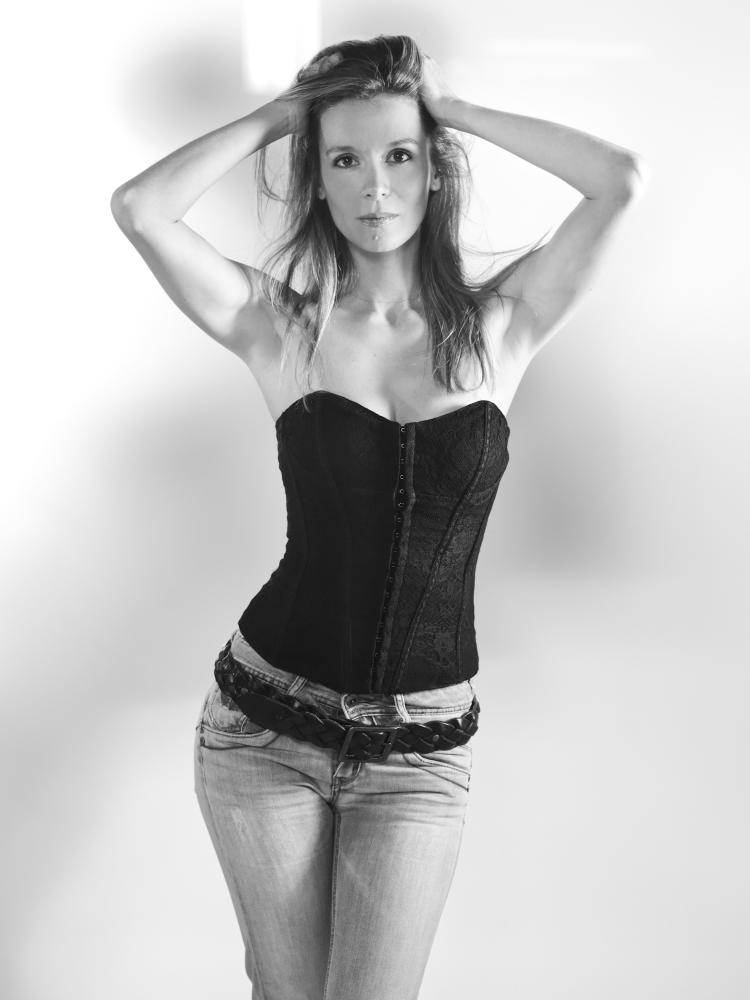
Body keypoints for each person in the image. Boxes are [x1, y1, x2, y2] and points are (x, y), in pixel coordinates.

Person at [111, 33, 647, 1000]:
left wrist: (452, 110)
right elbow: (140, 209)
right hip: (263, 728)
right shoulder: (282, 327)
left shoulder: (503, 326)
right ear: (317, 182)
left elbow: (617, 180)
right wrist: (289, 114)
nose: (375, 186)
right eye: (345, 161)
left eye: (399, 155)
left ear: (434, 168)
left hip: (421, 753)